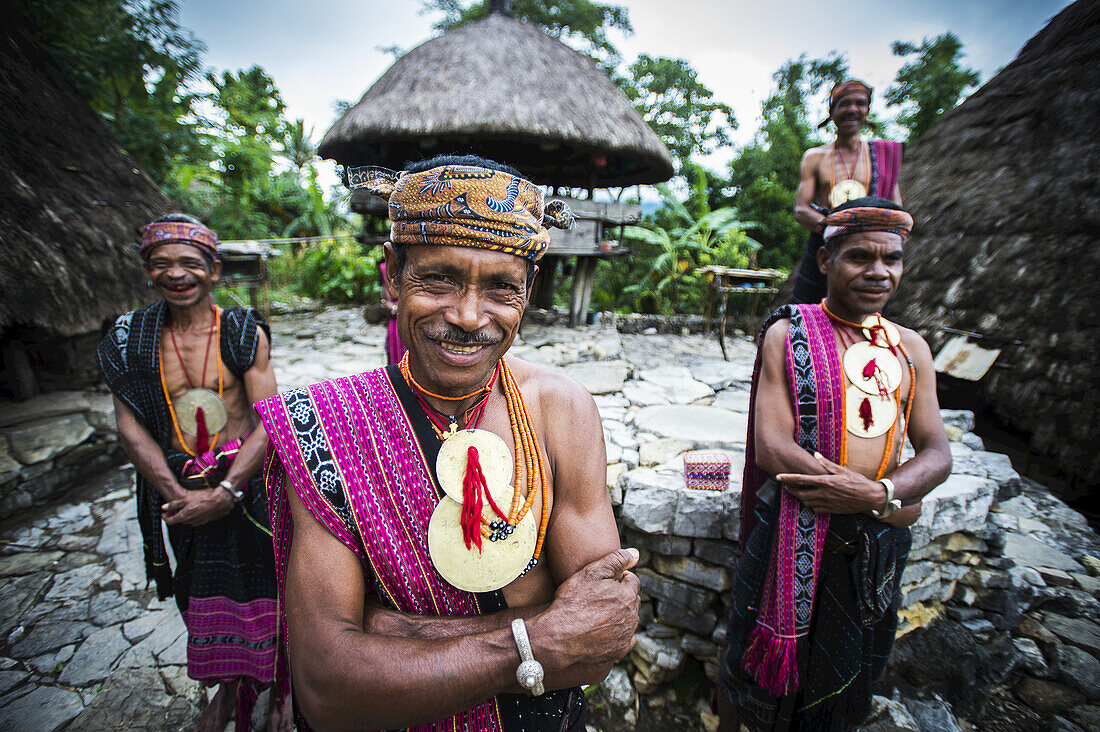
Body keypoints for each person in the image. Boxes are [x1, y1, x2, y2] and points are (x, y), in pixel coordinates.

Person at [254, 155, 641, 732]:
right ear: (391, 279)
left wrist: (397, 631)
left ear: (528, 293)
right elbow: (329, 687)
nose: (467, 316)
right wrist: (534, 640)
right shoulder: (325, 427)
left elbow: (596, 642)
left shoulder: (562, 412)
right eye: (438, 279)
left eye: (501, 288)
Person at [717, 197, 952, 731]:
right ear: (826, 262)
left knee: (847, 673)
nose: (878, 272)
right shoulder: (789, 332)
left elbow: (937, 453)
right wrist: (878, 498)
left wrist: (876, 496)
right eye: (860, 257)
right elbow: (773, 446)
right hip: (792, 533)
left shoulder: (912, 349)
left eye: (891, 259)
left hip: (873, 543)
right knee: (753, 672)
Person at [96, 214, 288, 732]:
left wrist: (226, 491)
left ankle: (281, 691)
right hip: (177, 492)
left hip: (244, 490)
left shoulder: (243, 333)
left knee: (270, 590)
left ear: (213, 269)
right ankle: (226, 694)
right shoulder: (130, 340)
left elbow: (268, 421)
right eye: (162, 264)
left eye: (189, 263)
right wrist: (179, 495)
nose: (176, 274)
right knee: (198, 595)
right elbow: (130, 428)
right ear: (147, 271)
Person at [790, 80, 904, 305]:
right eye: (844, 104)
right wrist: (838, 229)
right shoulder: (815, 157)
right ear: (832, 112)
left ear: (867, 110)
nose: (852, 109)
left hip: (868, 251)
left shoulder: (883, 157)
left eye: (859, 103)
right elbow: (801, 210)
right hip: (823, 247)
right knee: (804, 315)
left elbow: (896, 212)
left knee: (865, 322)